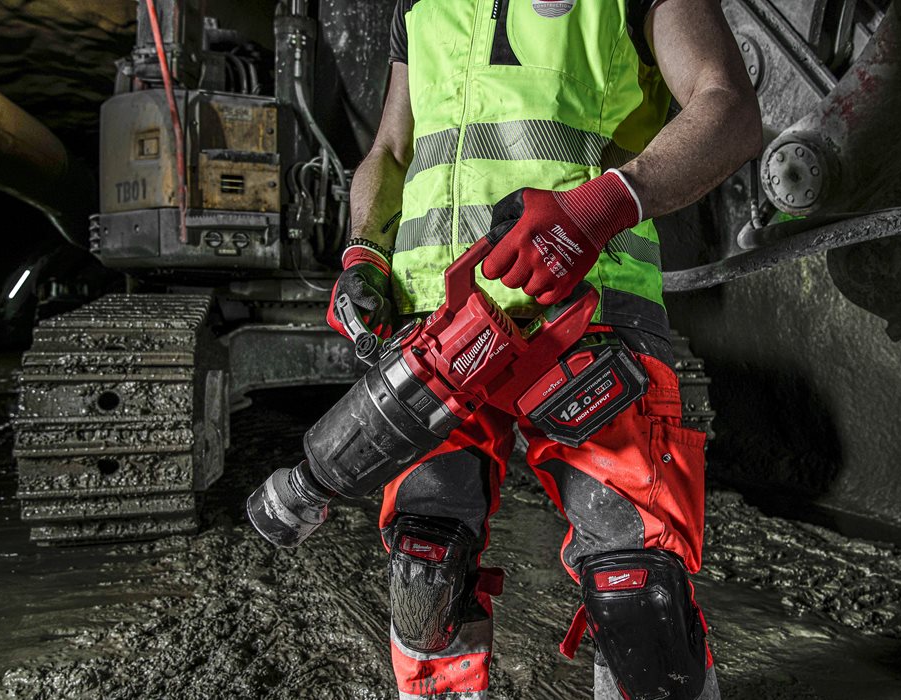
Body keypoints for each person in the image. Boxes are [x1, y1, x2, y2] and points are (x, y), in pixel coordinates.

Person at [325, 0, 762, 697]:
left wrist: (599, 208)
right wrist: (364, 251)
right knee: (425, 567)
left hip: (588, 307)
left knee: (635, 590)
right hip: (437, 323)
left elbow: (728, 108)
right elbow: (392, 152)